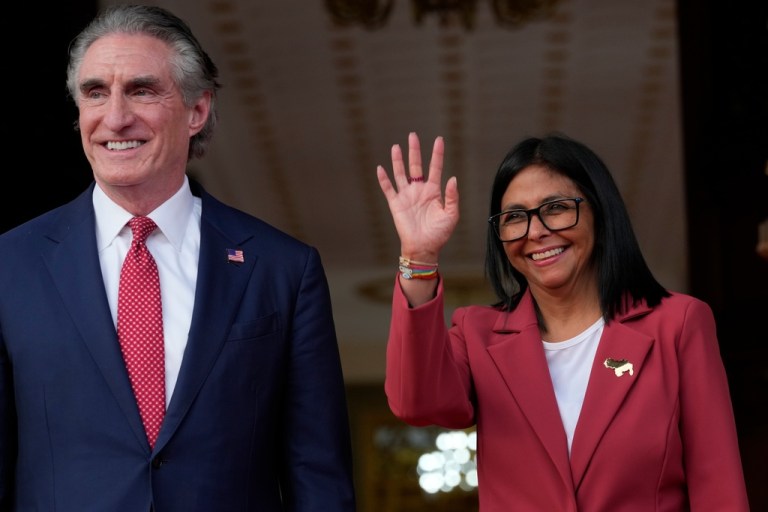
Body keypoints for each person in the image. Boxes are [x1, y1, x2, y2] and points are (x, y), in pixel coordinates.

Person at [0, 5, 355, 511]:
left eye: (142, 90)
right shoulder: (11, 265)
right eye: (95, 92)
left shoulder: (282, 269)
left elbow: (317, 475)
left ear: (197, 111)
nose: (115, 116)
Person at [376, 132, 750, 511]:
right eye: (515, 217)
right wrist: (419, 257)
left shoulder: (678, 324)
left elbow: (717, 485)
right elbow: (415, 402)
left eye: (555, 208)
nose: (536, 232)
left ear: (600, 213)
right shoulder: (478, 336)